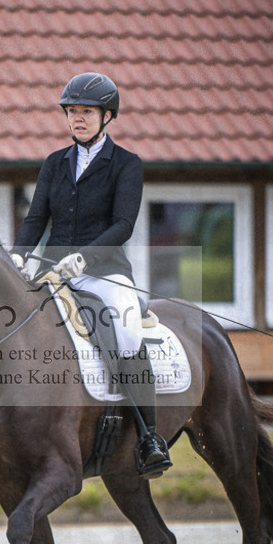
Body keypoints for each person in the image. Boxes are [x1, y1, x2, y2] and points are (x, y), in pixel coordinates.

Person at [11, 71, 171, 477]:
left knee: (127, 328)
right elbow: (35, 219)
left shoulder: (126, 165)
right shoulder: (54, 163)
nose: (77, 119)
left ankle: (150, 436)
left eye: (86, 111)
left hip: (104, 272)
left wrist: (83, 258)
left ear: (107, 116)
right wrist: (18, 256)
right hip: (53, 272)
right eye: (72, 112)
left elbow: (123, 225)